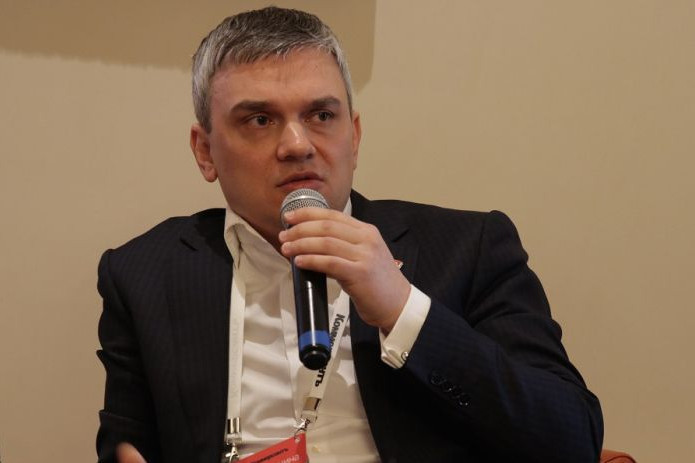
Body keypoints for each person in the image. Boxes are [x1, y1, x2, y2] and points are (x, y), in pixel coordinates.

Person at [96, 7, 603, 463]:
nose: (297, 145)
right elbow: (126, 443)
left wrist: (404, 311)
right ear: (205, 151)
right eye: (260, 119)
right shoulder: (143, 276)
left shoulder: (469, 247)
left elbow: (572, 438)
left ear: (353, 136)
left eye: (321, 115)